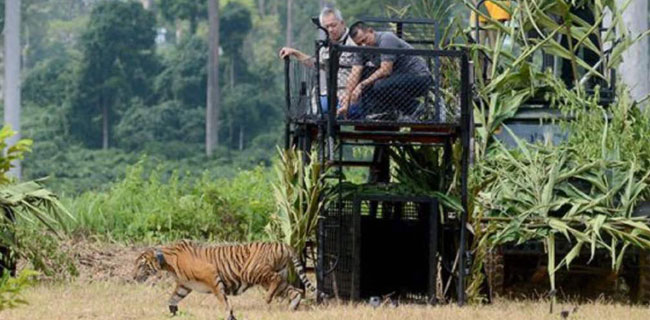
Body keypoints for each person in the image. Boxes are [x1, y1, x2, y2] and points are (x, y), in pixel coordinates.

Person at [338, 21, 432, 119]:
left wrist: (361, 85)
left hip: (418, 77)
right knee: (365, 75)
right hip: (396, 79)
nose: (363, 45)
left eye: (365, 40)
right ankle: (379, 112)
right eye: (359, 43)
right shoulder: (361, 49)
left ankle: (415, 107)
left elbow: (386, 70)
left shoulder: (386, 39)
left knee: (378, 85)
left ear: (370, 31)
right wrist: (346, 101)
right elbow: (355, 73)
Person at [278, 7, 357, 116]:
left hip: (349, 94)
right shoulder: (325, 45)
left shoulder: (355, 40)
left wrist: (350, 94)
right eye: (326, 27)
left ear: (342, 23)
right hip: (329, 93)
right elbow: (315, 64)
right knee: (314, 110)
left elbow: (361, 70)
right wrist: (294, 52)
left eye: (333, 25)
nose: (330, 30)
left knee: (325, 110)